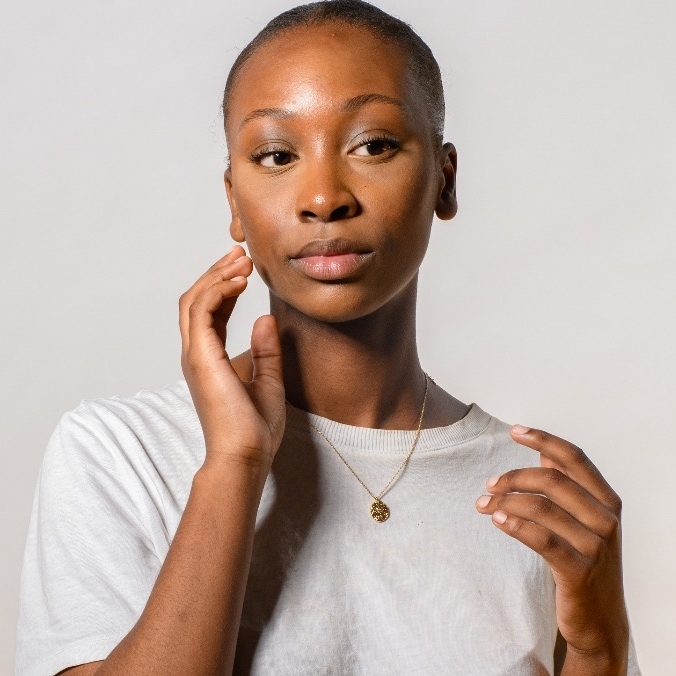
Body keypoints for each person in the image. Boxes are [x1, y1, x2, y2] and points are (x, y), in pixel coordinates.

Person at [16, 1, 641, 675]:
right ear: (234, 200)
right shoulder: (122, 453)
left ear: (445, 179)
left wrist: (600, 647)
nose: (323, 198)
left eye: (373, 145)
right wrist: (233, 467)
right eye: (276, 155)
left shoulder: (534, 499)